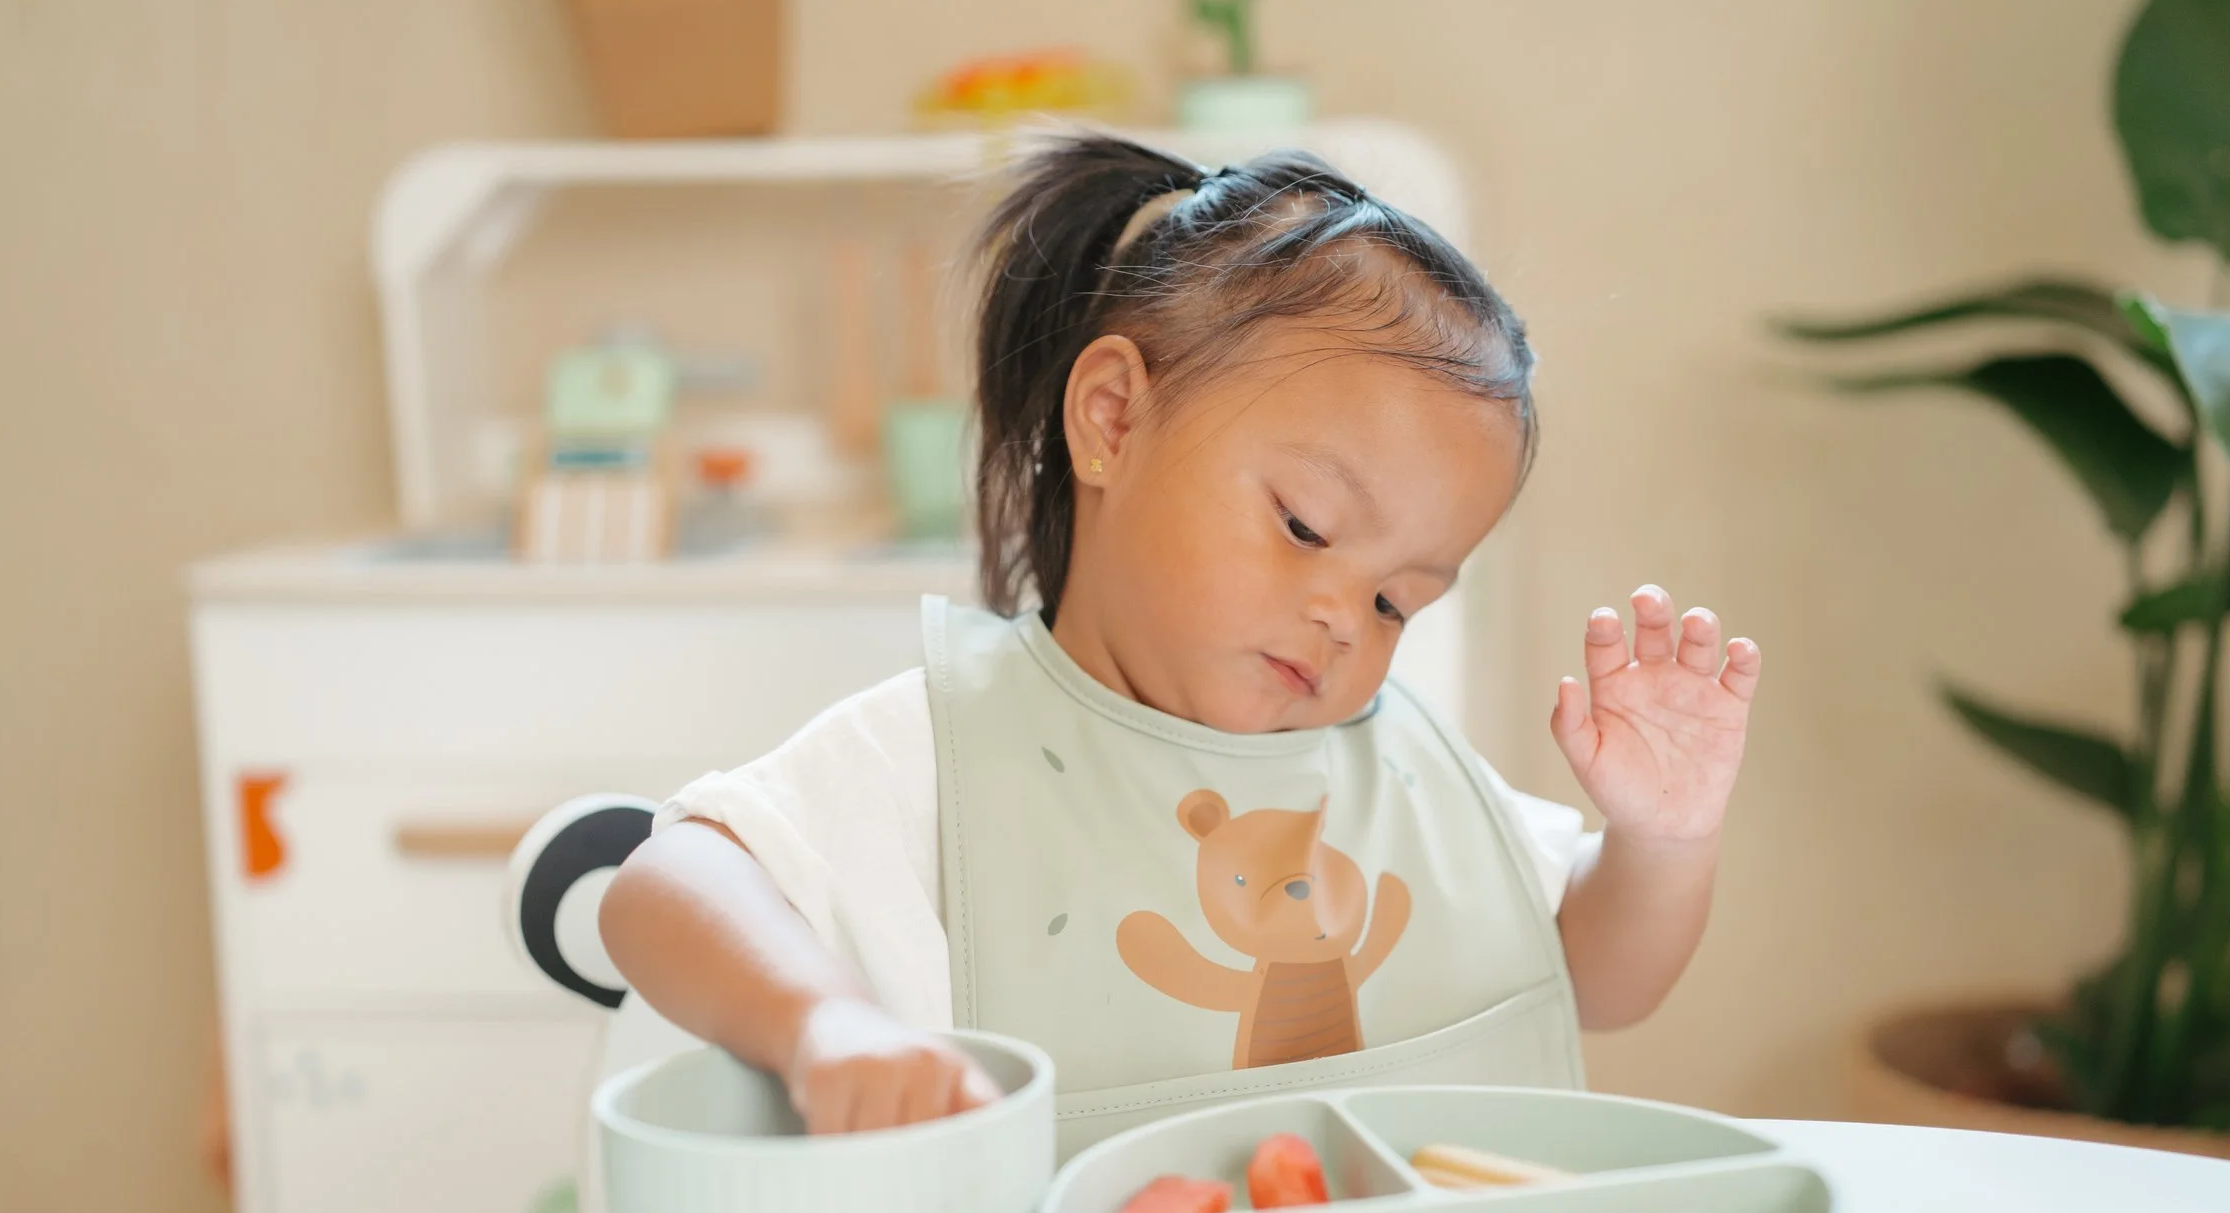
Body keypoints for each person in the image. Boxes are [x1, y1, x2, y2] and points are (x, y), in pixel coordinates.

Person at [599, 134, 1760, 1151]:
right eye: (1305, 526)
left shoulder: (1392, 766)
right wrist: (824, 1025)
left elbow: (1596, 979)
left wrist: (1662, 837)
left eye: (1398, 602)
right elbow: (666, 882)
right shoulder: (948, 752)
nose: (1342, 621)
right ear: (1112, 419)